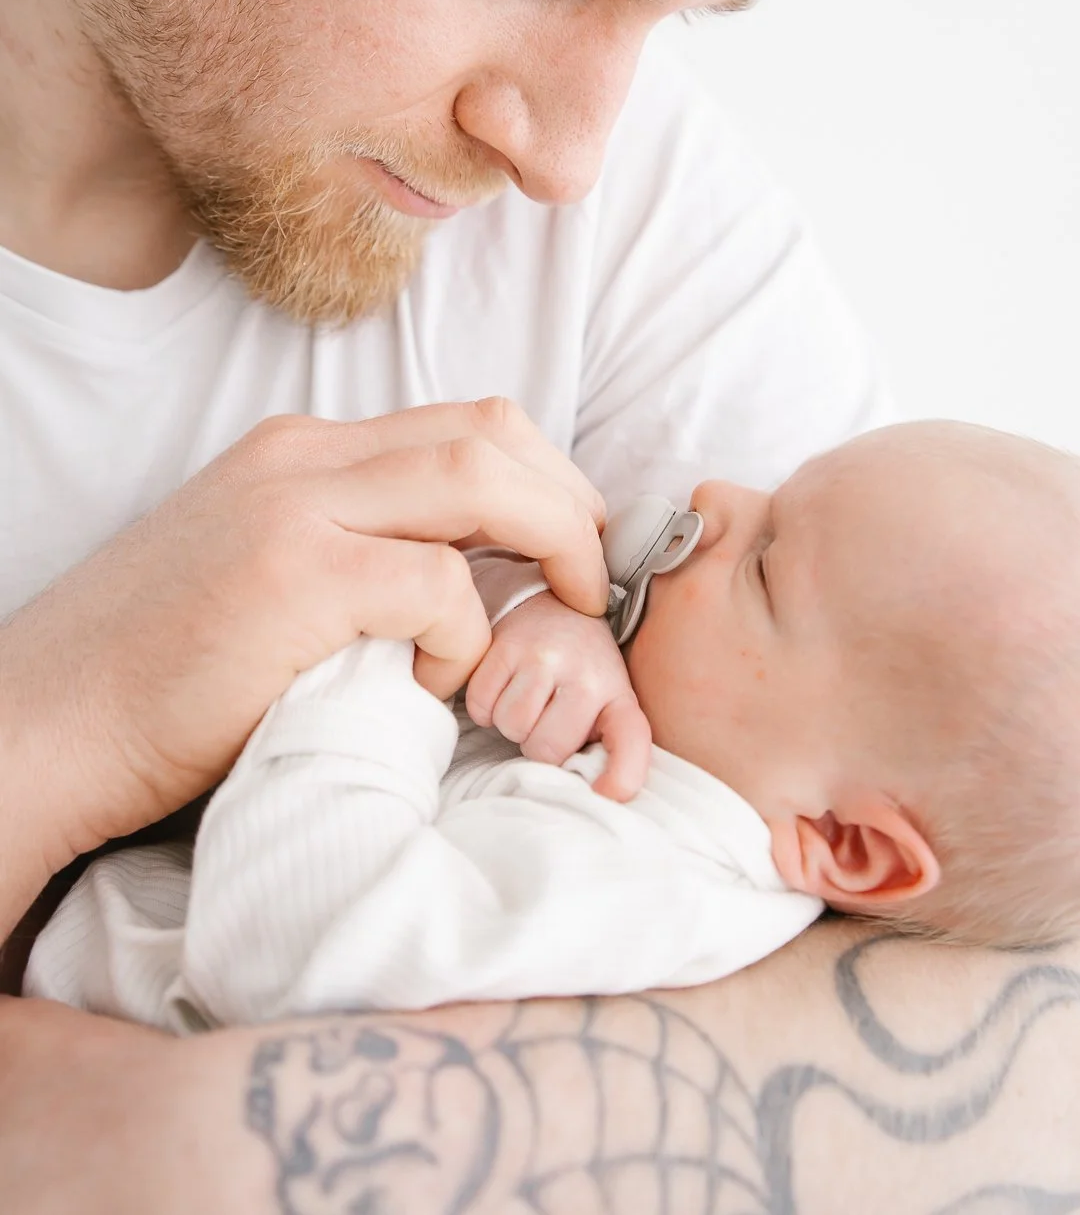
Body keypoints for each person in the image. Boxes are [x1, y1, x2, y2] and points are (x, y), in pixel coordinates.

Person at [4, 0, 1078, 1209]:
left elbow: (1023, 919)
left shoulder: (625, 215)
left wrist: (174, 1146)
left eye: (669, 12)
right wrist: (70, 719)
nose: (568, 150)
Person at [24, 420, 1080, 1032]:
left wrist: (384, 641)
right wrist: (532, 608)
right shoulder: (680, 748)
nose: (716, 492)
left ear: (843, 844)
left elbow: (291, 947)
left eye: (761, 561)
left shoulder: (640, 881)